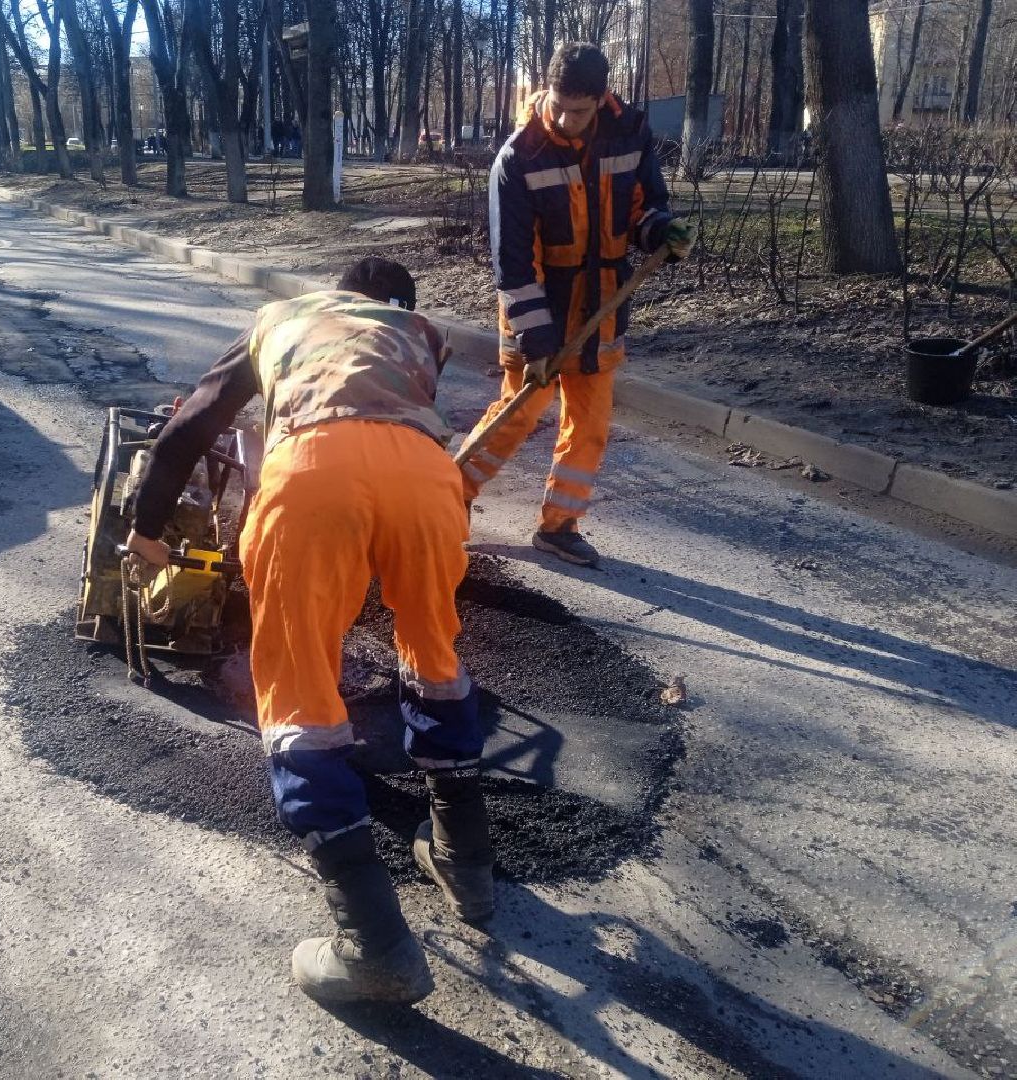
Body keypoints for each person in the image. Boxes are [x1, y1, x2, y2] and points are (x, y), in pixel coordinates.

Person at [124, 258, 493, 1006]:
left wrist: (147, 525)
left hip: (314, 477)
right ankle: (466, 862)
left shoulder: (280, 319)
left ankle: (375, 946)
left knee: (298, 687)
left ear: (336, 289)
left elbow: (198, 417)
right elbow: (394, 420)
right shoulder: (418, 333)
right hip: (428, 482)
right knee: (433, 654)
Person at [459, 42, 694, 567]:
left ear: (602, 98)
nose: (567, 119)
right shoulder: (520, 155)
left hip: (600, 307)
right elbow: (515, 264)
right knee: (518, 413)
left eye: (580, 110)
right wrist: (538, 343)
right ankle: (451, 495)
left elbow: (643, 209)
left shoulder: (629, 132)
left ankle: (560, 526)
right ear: (547, 89)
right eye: (559, 104)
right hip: (538, 309)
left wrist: (663, 232)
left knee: (589, 421)